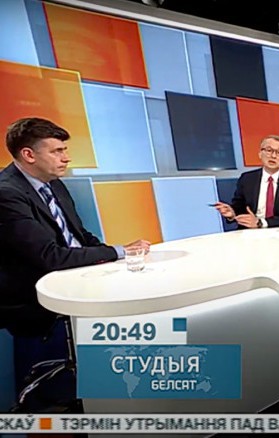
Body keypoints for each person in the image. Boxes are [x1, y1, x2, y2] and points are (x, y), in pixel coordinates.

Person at [0, 117, 150, 409]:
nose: (66, 157)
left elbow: (80, 237)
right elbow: (51, 257)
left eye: (64, 149)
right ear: (29, 155)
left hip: (71, 275)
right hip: (33, 295)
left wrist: (117, 255)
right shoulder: (6, 193)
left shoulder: (53, 184)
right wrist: (119, 251)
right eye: (57, 151)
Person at [214, 135, 279, 229]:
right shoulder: (247, 178)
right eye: (269, 150)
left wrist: (260, 223)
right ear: (260, 154)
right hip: (250, 231)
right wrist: (232, 213)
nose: (273, 156)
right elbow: (240, 208)